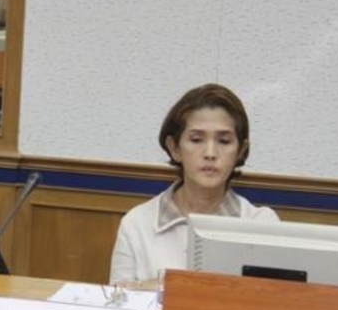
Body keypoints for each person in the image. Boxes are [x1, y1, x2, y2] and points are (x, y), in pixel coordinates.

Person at [109, 83, 278, 284]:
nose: (210, 153)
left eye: (224, 141)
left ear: (241, 150)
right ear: (174, 148)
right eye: (197, 140)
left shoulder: (263, 224)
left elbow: (274, 300)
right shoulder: (137, 223)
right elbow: (118, 299)